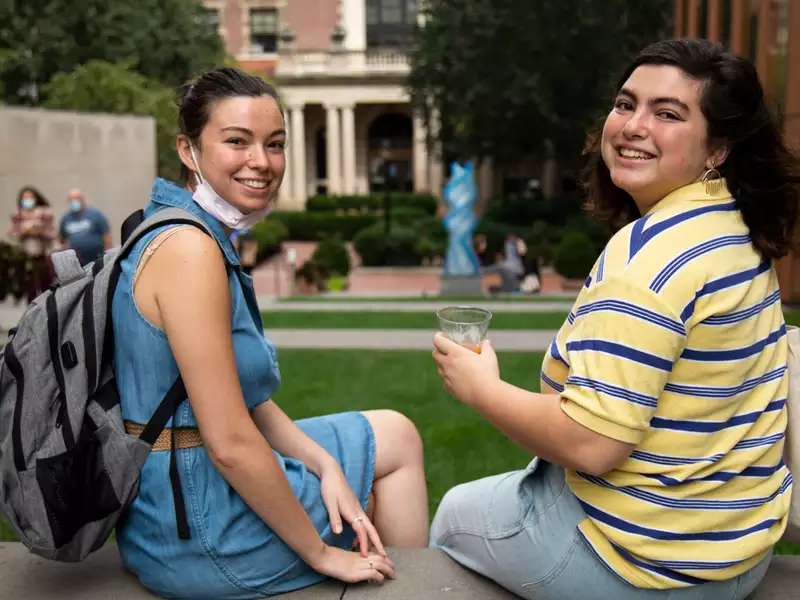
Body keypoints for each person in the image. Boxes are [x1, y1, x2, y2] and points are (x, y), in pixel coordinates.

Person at [430, 39, 797, 600]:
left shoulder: (648, 263)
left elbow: (591, 444)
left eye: (668, 114)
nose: (632, 125)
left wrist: (481, 388)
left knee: (456, 513)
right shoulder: (736, 230)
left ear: (717, 147)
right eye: (626, 105)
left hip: (640, 564)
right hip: (737, 552)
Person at [112, 67, 428, 599]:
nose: (262, 161)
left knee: (395, 434)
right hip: (201, 526)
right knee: (371, 504)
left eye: (274, 144)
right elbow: (231, 442)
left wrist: (325, 464)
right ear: (188, 151)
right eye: (237, 141)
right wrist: (322, 552)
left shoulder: (186, 227)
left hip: (174, 498)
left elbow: (245, 402)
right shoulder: (189, 251)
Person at [8, 185, 55, 301]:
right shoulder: (18, 215)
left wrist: (40, 231)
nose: (27, 200)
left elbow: (53, 233)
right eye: (25, 198)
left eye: (30, 197)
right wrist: (24, 231)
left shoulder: (45, 213)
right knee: (30, 288)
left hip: (42, 254)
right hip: (25, 257)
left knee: (46, 285)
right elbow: (12, 234)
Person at [58, 188, 111, 265]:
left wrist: (108, 256)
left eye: (76, 199)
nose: (74, 202)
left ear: (82, 199)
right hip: (76, 261)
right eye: (71, 200)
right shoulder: (66, 218)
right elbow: (62, 239)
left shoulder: (95, 214)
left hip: (96, 257)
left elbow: (106, 235)